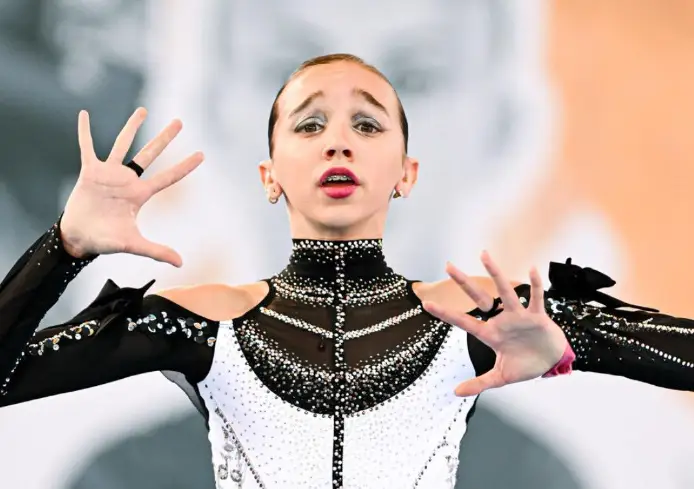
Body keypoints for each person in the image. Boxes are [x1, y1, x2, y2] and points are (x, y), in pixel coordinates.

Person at [1, 53, 693, 489]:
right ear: (270, 175)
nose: (337, 138)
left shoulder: (478, 313)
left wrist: (573, 346)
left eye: (367, 125)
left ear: (406, 172)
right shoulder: (202, 319)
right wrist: (64, 246)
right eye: (308, 124)